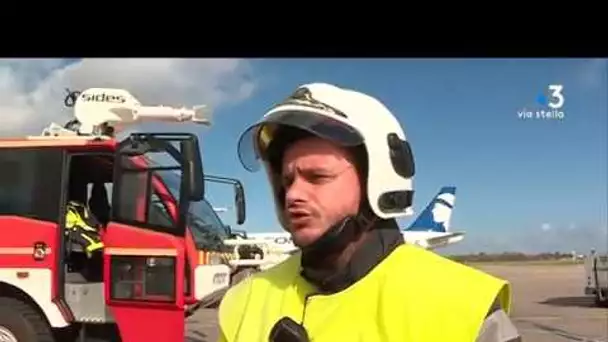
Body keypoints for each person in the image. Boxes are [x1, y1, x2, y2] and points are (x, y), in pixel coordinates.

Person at [218, 83, 520, 342]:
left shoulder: (462, 304)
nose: (293, 194)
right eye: (287, 181)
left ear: (375, 181)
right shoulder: (243, 301)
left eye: (318, 177)